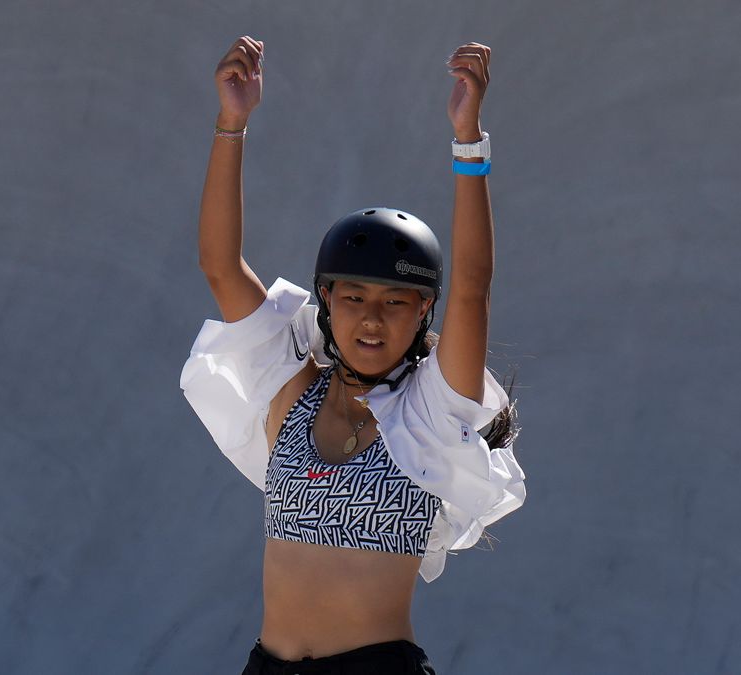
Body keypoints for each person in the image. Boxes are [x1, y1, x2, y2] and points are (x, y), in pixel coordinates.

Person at [180, 35, 526, 674]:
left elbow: (473, 288)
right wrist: (232, 123)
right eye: (354, 297)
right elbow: (220, 266)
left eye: (396, 302)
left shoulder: (429, 413)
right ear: (326, 300)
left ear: (424, 310)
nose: (371, 317)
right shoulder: (292, 397)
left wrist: (467, 141)